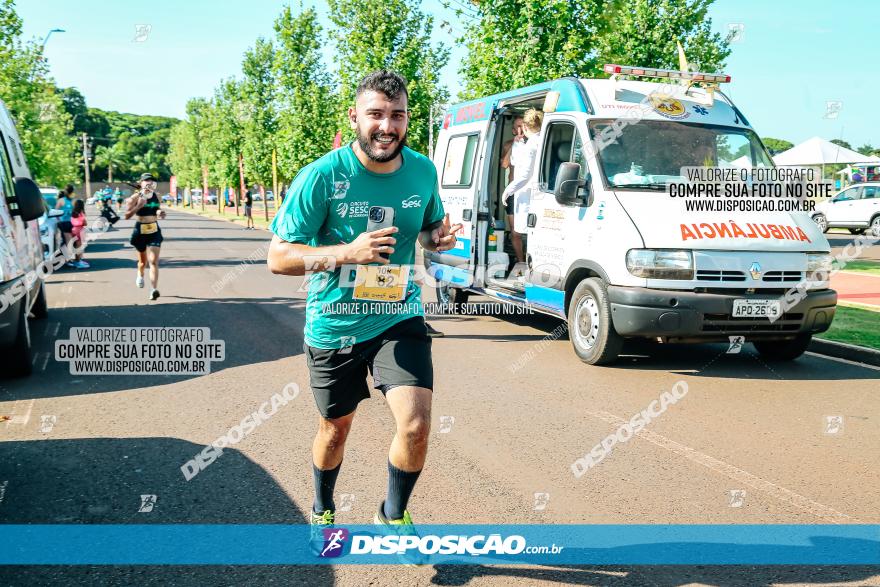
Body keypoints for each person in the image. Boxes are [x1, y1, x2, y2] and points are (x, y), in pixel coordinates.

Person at [267, 70, 460, 558]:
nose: (387, 126)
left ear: (407, 119)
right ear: (355, 117)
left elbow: (428, 229)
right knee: (336, 428)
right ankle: (323, 508)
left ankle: (392, 515)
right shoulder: (322, 177)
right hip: (335, 322)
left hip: (399, 313)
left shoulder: (422, 171)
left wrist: (437, 239)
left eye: (397, 115)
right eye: (376, 114)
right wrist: (346, 253)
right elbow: (278, 257)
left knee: (415, 424)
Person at [501, 108, 543, 276]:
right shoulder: (537, 140)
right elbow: (510, 163)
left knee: (529, 231)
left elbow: (524, 174)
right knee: (522, 231)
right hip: (528, 193)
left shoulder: (532, 143)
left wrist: (507, 190)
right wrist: (517, 144)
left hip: (524, 192)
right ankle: (524, 265)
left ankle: (529, 269)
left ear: (526, 126)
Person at [124, 173, 166, 300]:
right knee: (143, 262)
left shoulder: (157, 196)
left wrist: (160, 212)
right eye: (146, 181)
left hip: (154, 230)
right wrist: (138, 206)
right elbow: (126, 216)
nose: (149, 183)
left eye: (151, 181)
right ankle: (140, 274)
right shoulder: (134, 198)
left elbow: (156, 209)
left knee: (153, 261)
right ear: (141, 183)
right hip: (140, 231)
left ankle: (153, 290)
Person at [500, 116, 526, 265]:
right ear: (513, 129)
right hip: (513, 192)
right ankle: (521, 261)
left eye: (523, 125)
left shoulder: (534, 143)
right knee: (515, 230)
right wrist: (514, 145)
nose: (521, 129)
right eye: (518, 126)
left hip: (528, 191)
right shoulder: (509, 144)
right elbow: (504, 164)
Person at [68, 199, 90, 269]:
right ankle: (78, 261)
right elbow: (85, 223)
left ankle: (76, 260)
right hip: (80, 230)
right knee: (79, 247)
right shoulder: (81, 213)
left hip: (73, 230)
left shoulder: (72, 212)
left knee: (76, 246)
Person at [54, 185, 75, 258]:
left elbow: (55, 212)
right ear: (72, 192)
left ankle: (66, 258)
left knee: (67, 241)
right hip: (71, 223)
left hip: (63, 223)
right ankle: (68, 257)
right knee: (69, 241)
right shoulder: (73, 201)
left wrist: (58, 220)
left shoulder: (61, 200)